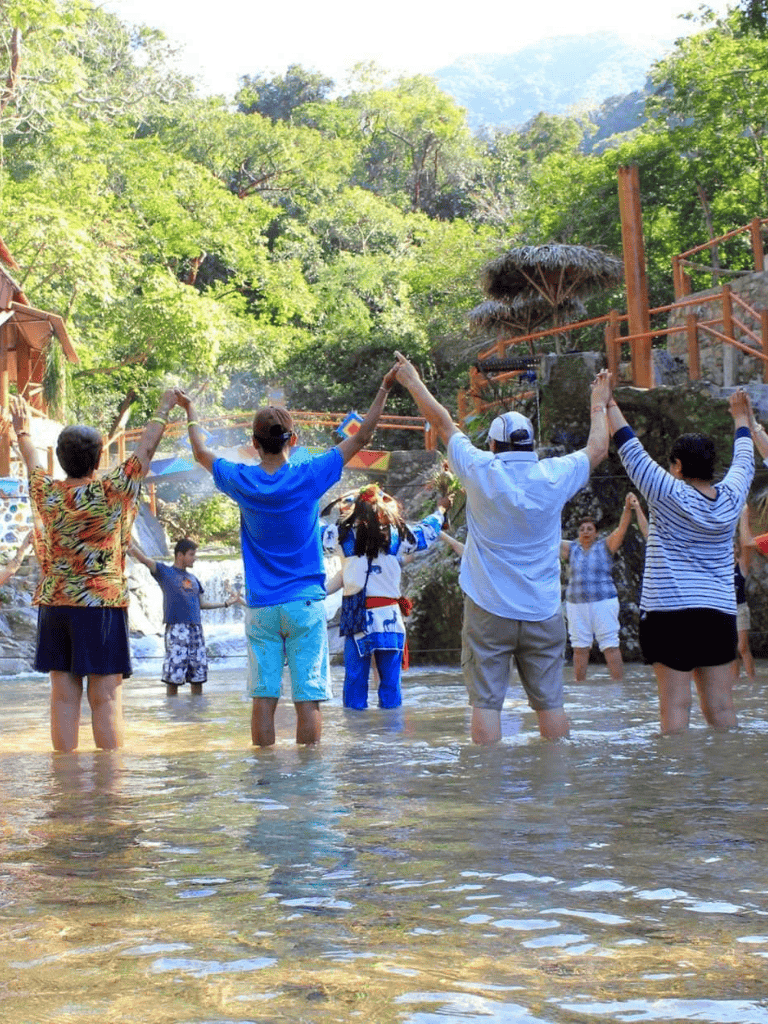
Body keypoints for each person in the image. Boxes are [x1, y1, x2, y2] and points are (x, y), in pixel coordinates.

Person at [394, 350, 611, 743]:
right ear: (531, 446)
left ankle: (488, 795)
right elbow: (597, 450)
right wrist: (599, 403)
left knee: (486, 704)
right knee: (551, 705)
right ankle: (557, 789)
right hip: (543, 610)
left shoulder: (479, 469)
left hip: (489, 609)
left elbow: (442, 423)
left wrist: (411, 379)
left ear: (493, 446)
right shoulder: (553, 474)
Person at [178, 366, 398, 746]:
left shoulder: (242, 480)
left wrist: (191, 409)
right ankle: (307, 785)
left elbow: (200, 452)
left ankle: (265, 784)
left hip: (263, 607)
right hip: (305, 604)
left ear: (254, 442)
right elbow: (363, 435)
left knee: (263, 698)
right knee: (308, 698)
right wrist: (383, 386)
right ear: (292, 440)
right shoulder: (310, 475)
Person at [10, 389, 181, 752]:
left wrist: (22, 431)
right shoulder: (113, 490)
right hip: (101, 605)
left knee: (62, 697)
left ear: (58, 458)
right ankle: (109, 791)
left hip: (55, 605)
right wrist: (164, 407)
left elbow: (29, 463)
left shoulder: (46, 492)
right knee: (105, 699)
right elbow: (146, 450)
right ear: (99, 458)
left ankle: (65, 782)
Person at [606, 385, 754, 733]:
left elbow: (631, 450)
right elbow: (745, 457)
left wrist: (608, 403)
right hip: (718, 613)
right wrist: (741, 418)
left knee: (675, 705)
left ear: (676, 466)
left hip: (669, 613)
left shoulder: (666, 492)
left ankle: (678, 786)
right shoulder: (732, 497)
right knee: (721, 705)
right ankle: (726, 778)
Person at [330, 484, 450, 710]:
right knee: (391, 685)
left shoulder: (343, 537)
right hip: (390, 619)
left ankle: (356, 736)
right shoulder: (399, 537)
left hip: (358, 618)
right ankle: (391, 737)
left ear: (356, 511)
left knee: (355, 682)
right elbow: (427, 531)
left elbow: (308, 530)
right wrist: (441, 510)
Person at [128, 537, 236, 696]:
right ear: (180, 555)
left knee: (198, 675)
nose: (195, 558)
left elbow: (203, 604)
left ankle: (196, 710)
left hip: (196, 630)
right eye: (192, 554)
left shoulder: (194, 579)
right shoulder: (165, 572)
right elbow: (144, 560)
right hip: (177, 629)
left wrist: (226, 603)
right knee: (174, 674)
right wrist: (129, 545)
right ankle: (172, 711)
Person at [560, 493, 647, 682]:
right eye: (582, 529)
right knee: (579, 647)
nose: (585, 532)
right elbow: (547, 541)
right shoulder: (571, 548)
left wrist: (627, 507)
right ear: (578, 533)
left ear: (596, 533)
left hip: (604, 602)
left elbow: (622, 529)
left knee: (610, 645)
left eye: (589, 529)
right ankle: (580, 688)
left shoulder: (605, 546)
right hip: (576, 605)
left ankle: (618, 686)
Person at [733, 505, 756, 681]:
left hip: (740, 608)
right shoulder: (719, 567)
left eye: (733, 548)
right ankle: (735, 680)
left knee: (742, 647)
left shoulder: (741, 566)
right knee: (729, 648)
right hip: (725, 609)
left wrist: (744, 515)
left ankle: (751, 679)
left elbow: (746, 544)